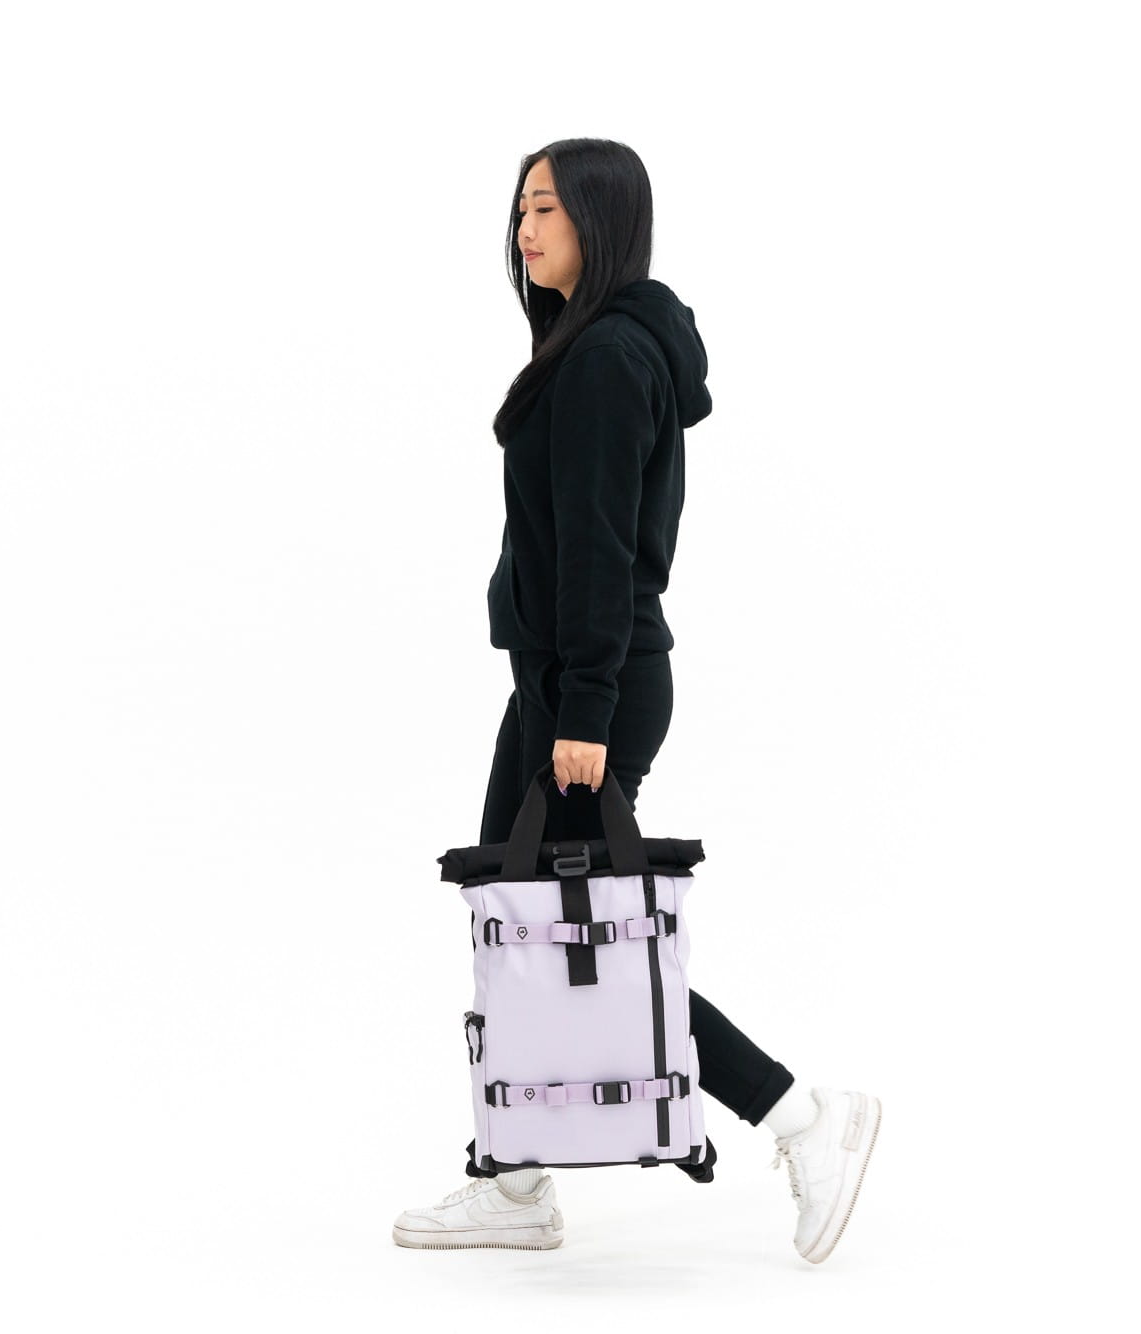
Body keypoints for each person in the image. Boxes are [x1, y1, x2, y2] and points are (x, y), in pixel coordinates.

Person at [391, 141, 882, 1263]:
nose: (525, 228)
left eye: (547, 208)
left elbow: (601, 552)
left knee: (586, 943)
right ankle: (515, 1174)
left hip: (587, 686)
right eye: (519, 208)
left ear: (601, 218)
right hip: (560, 679)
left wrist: (583, 711)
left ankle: (804, 1117)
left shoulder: (609, 357)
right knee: (517, 922)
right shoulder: (591, 344)